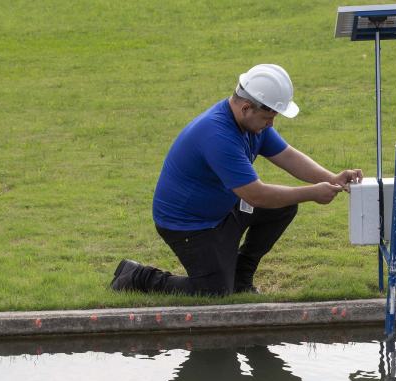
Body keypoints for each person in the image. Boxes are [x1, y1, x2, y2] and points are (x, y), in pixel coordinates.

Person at [111, 64, 363, 295]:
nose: (271, 124)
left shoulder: (252, 124)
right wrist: (312, 193)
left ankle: (241, 279)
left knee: (283, 205)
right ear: (246, 108)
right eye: (268, 117)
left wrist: (332, 177)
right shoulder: (217, 135)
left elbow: (288, 156)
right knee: (213, 293)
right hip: (188, 224)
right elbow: (256, 195)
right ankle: (136, 276)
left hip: (223, 208)